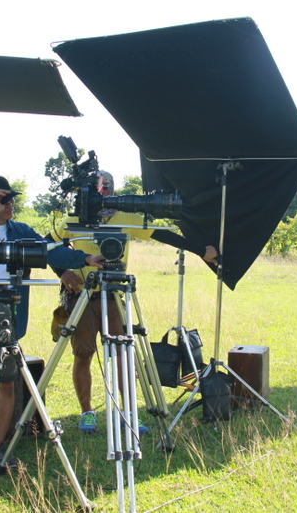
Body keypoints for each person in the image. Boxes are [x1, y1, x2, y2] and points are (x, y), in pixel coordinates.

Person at [48, 170, 217, 434]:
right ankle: (87, 413)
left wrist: (200, 250)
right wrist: (63, 272)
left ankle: (127, 413)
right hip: (81, 297)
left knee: (122, 356)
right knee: (83, 355)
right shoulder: (73, 220)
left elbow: (163, 234)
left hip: (114, 295)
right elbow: (47, 246)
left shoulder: (127, 217)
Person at [0, 175, 103, 467]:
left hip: (5, 319)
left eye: (11, 198)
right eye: (2, 198)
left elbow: (51, 250)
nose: (9, 204)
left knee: (6, 384)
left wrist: (84, 259)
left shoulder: (20, 231)